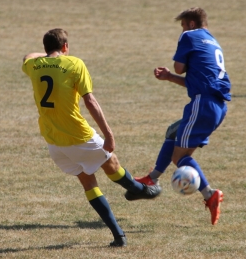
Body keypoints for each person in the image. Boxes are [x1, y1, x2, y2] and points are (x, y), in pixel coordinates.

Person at [22, 28, 161, 247]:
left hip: (53, 141)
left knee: (88, 182)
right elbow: (90, 101)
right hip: (78, 135)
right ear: (65, 47)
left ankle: (119, 236)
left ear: (45, 49)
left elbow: (27, 57)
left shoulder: (34, 66)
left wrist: (45, 57)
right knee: (111, 163)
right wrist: (109, 134)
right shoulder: (75, 64)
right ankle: (139, 190)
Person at [135, 7, 231, 225]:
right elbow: (195, 79)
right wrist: (169, 78)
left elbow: (180, 67)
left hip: (201, 103)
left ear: (190, 23)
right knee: (174, 132)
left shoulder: (189, 35)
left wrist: (173, 70)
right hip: (216, 105)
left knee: (180, 158)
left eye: (182, 25)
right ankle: (152, 178)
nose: (182, 30)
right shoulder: (213, 42)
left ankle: (210, 194)